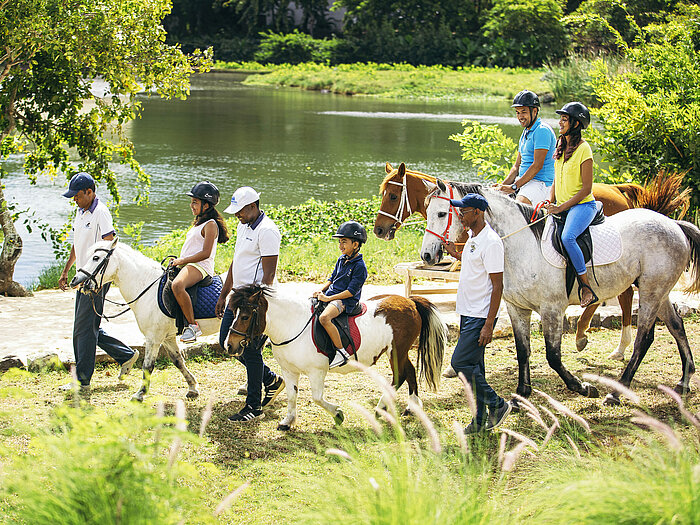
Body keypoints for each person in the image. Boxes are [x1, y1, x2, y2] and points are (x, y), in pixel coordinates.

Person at [58, 172, 139, 392]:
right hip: (82, 277)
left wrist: (98, 279)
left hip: (95, 280)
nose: (74, 199)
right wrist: (67, 270)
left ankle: (82, 380)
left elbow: (109, 246)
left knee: (83, 329)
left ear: (90, 192)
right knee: (86, 326)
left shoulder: (101, 213)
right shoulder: (81, 211)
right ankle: (126, 355)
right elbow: (77, 243)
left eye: (77, 195)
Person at [442, 193, 511, 434]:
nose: (460, 214)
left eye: (465, 210)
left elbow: (497, 285)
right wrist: (456, 254)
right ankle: (480, 420)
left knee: (459, 363)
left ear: (478, 213)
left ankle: (498, 405)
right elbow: (475, 264)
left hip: (480, 315)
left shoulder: (491, 242)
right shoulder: (473, 237)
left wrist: (488, 324)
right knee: (475, 368)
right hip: (467, 312)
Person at [215, 186, 285, 422]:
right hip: (237, 298)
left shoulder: (267, 232)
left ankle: (253, 407)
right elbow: (237, 262)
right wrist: (224, 293)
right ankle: (271, 380)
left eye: (240, 211)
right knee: (226, 341)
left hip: (253, 304)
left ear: (253, 206)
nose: (237, 215)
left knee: (252, 352)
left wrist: (256, 308)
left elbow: (268, 276)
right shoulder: (243, 225)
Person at [545, 102, 599, 309]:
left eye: (564, 119)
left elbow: (586, 189)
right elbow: (556, 181)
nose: (560, 122)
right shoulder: (561, 146)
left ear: (576, 123)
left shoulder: (584, 149)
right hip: (562, 205)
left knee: (568, 237)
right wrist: (550, 201)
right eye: (560, 118)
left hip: (583, 206)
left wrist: (561, 207)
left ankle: (586, 286)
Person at [171, 181, 230, 343]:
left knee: (177, 285)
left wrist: (182, 260)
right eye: (191, 202)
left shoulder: (211, 225)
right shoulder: (198, 223)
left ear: (206, 205)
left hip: (200, 267)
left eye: (195, 202)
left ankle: (193, 326)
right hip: (189, 265)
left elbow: (205, 253)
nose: (191, 205)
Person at [312, 221, 369, 369]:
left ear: (355, 245)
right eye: (339, 242)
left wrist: (329, 298)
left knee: (324, 318)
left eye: (344, 242)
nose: (340, 245)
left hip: (345, 301)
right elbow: (332, 279)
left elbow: (351, 291)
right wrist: (321, 291)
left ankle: (341, 351)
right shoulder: (341, 259)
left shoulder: (360, 266)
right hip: (332, 296)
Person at [496, 90, 556, 206]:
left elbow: (537, 165)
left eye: (523, 112)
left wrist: (514, 187)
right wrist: (501, 187)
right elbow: (516, 166)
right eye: (517, 112)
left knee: (516, 208)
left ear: (534, 111)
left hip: (540, 184)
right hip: (524, 182)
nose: (520, 117)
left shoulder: (542, 130)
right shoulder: (526, 132)